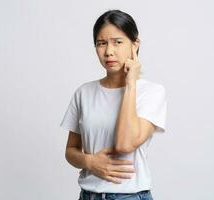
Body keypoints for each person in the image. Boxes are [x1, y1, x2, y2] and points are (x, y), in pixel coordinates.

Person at [60, 9, 167, 200]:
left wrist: (131, 82)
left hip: (129, 196)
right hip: (87, 196)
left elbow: (125, 143)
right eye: (101, 43)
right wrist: (90, 161)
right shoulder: (84, 92)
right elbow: (70, 151)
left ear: (135, 45)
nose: (109, 51)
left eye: (118, 42)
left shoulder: (151, 92)